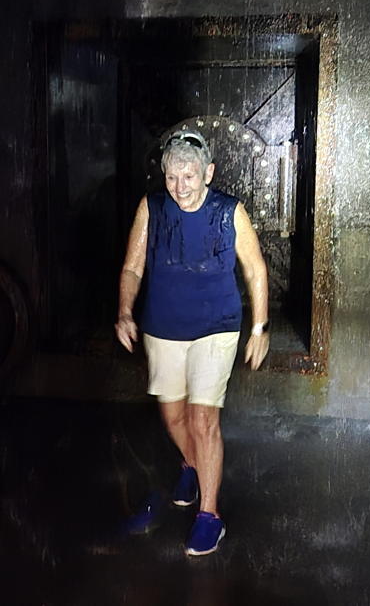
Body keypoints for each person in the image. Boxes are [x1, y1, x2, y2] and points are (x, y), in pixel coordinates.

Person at [115, 129, 269, 556]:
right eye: (171, 177)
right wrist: (125, 311)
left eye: (189, 176)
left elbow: (255, 269)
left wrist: (259, 327)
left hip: (217, 326)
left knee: (204, 420)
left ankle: (209, 514)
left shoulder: (228, 211)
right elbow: (132, 267)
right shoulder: (152, 208)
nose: (180, 187)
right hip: (162, 326)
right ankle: (192, 464)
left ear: (208, 173)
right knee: (173, 417)